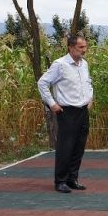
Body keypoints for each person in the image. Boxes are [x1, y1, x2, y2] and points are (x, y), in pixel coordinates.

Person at [37, 33, 93, 193]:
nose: (84, 50)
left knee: (79, 147)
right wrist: (52, 103)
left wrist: (90, 97)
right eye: (80, 47)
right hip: (67, 111)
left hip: (83, 111)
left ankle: (72, 179)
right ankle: (60, 181)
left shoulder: (84, 64)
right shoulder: (60, 65)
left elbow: (88, 82)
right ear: (70, 47)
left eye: (85, 47)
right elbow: (42, 82)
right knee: (65, 147)